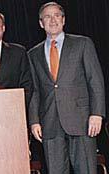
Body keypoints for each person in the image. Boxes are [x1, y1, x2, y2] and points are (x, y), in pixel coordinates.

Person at [28, 2, 105, 174]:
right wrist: (34, 121)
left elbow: (95, 80)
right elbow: (35, 91)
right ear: (41, 23)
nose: (52, 20)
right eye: (47, 16)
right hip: (49, 123)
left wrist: (97, 114)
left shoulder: (82, 44)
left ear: (63, 20)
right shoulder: (33, 54)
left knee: (86, 170)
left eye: (56, 15)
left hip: (82, 120)